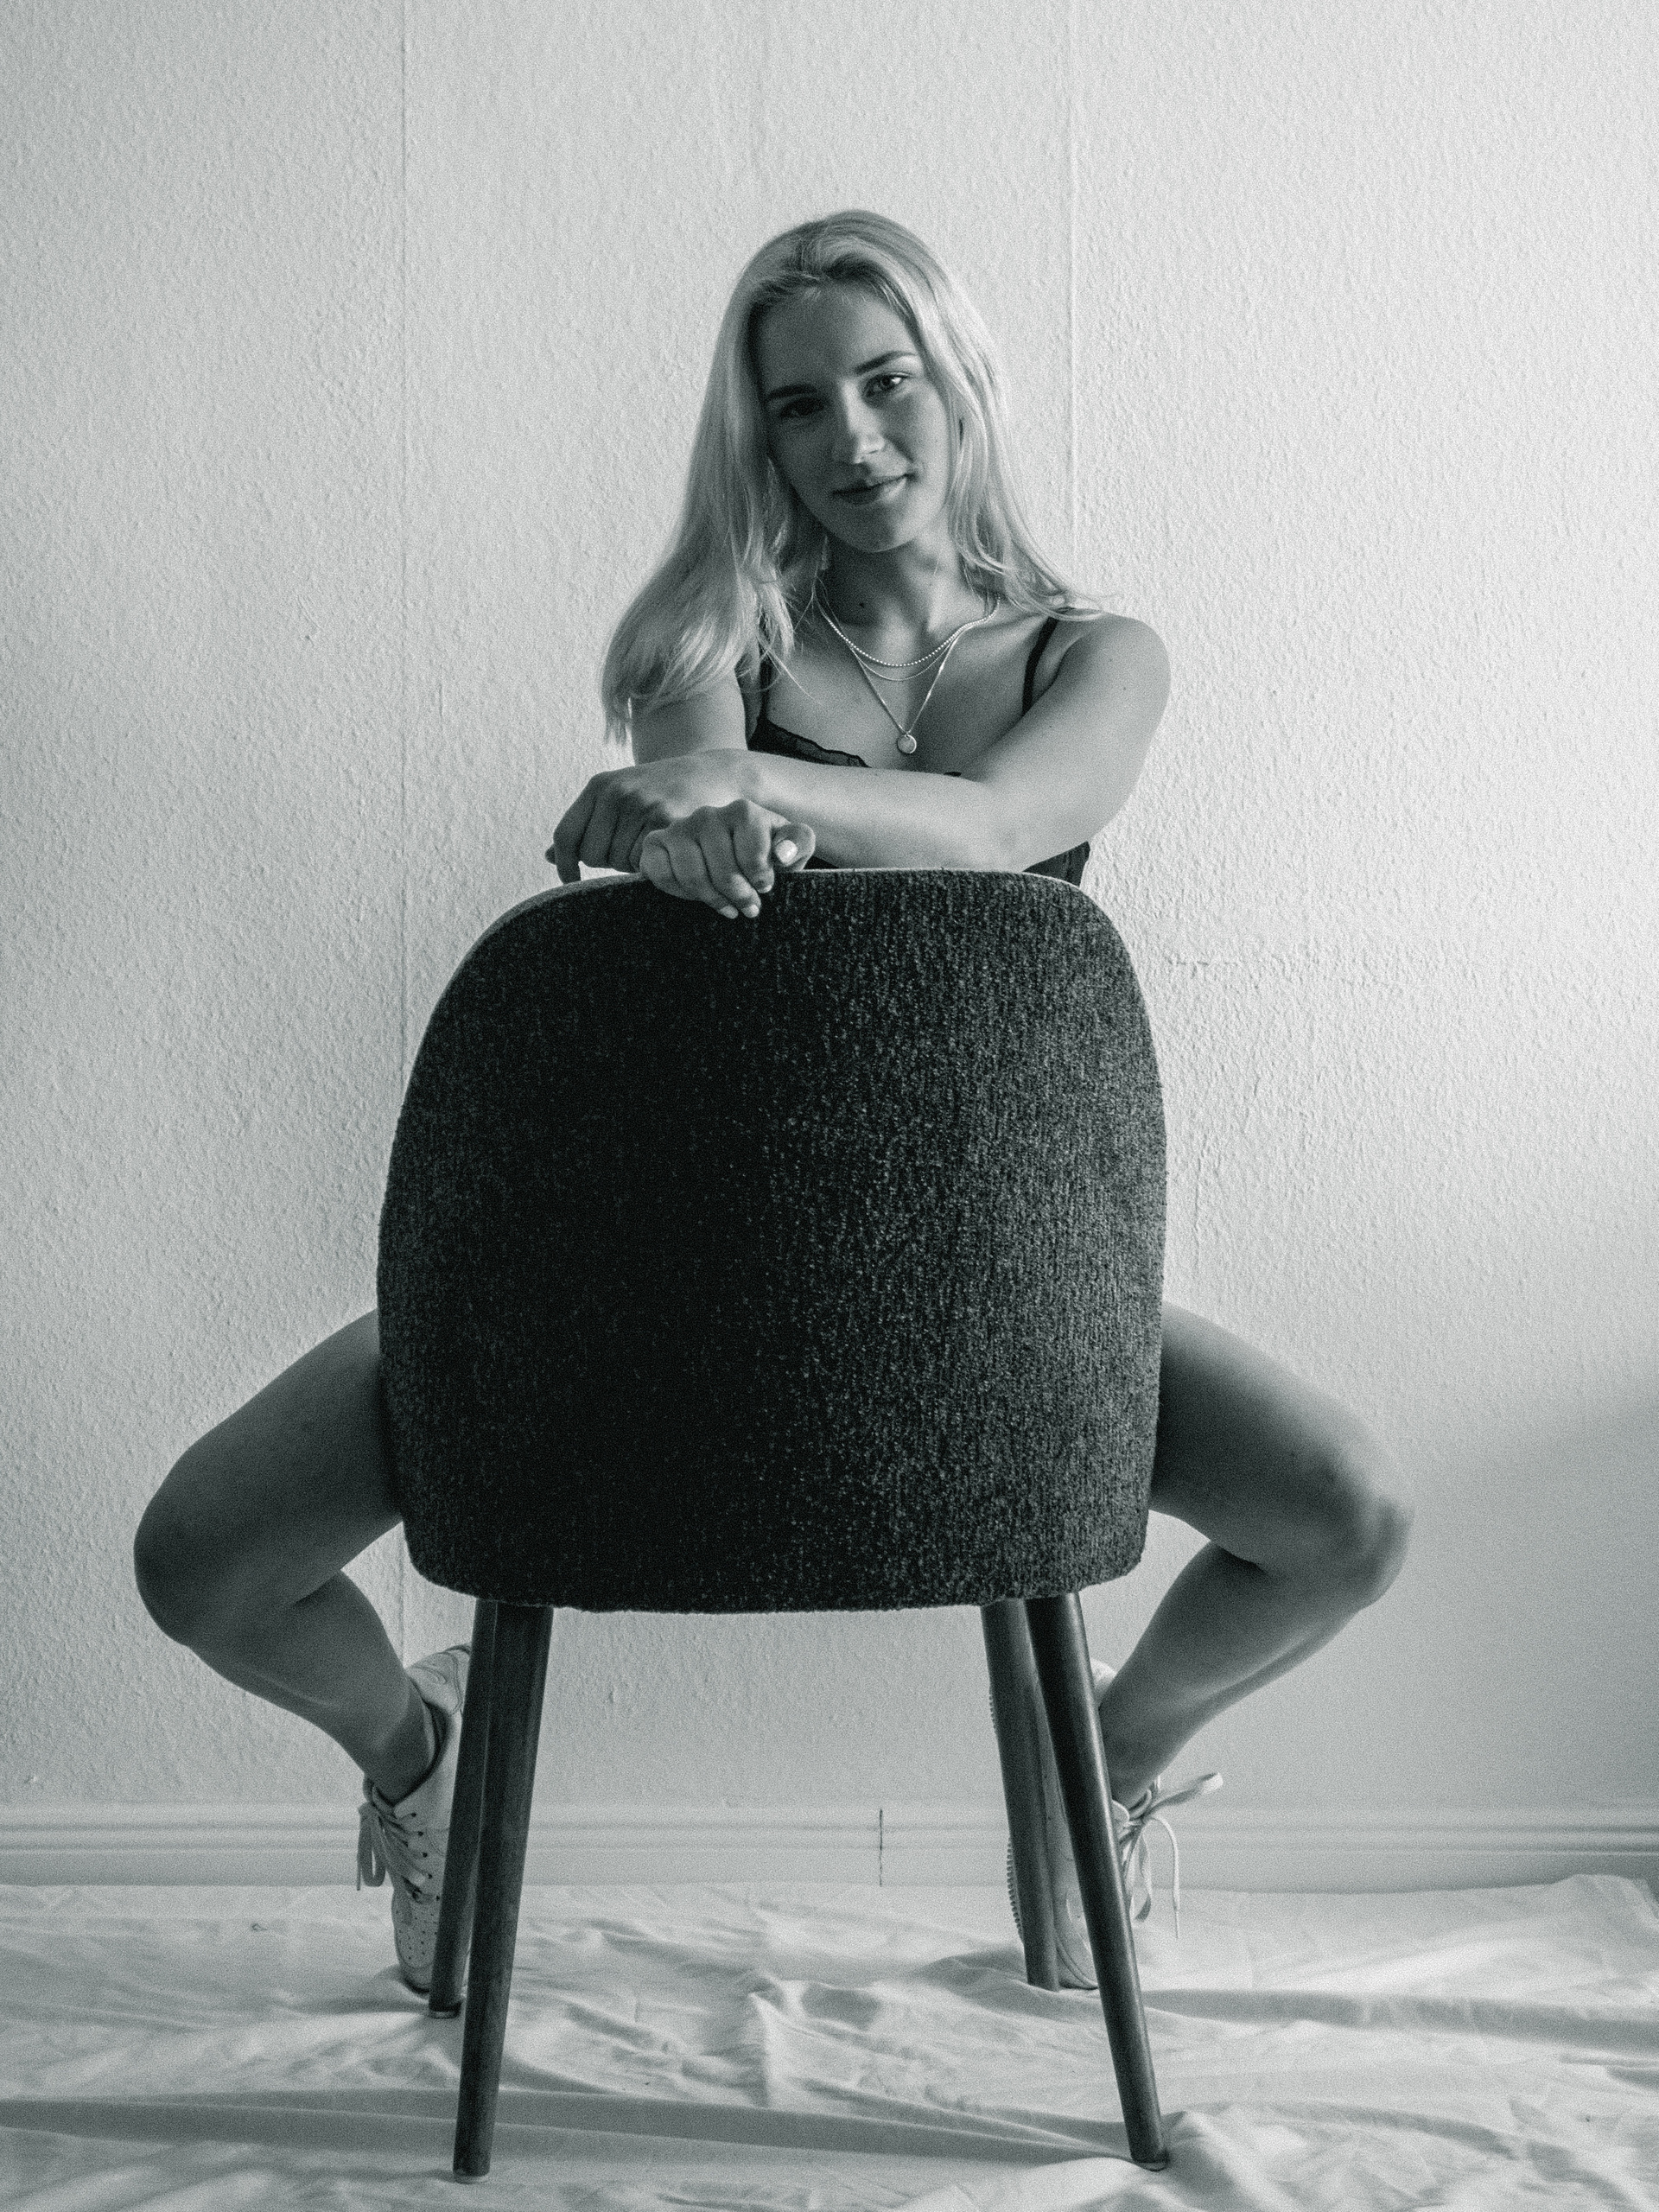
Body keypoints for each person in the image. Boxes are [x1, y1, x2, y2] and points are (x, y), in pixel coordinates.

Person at [135, 210, 1412, 1996]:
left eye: (890, 384)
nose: (855, 440)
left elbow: (996, 830)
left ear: (964, 381)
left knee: (1348, 1513)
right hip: (659, 1246)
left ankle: (1093, 1765)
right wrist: (695, 813)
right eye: (800, 406)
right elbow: (689, 826)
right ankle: (426, 1766)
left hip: (989, 1272)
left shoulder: (1095, 654)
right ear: (758, 437)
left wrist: (751, 793)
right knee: (202, 1555)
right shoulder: (707, 639)